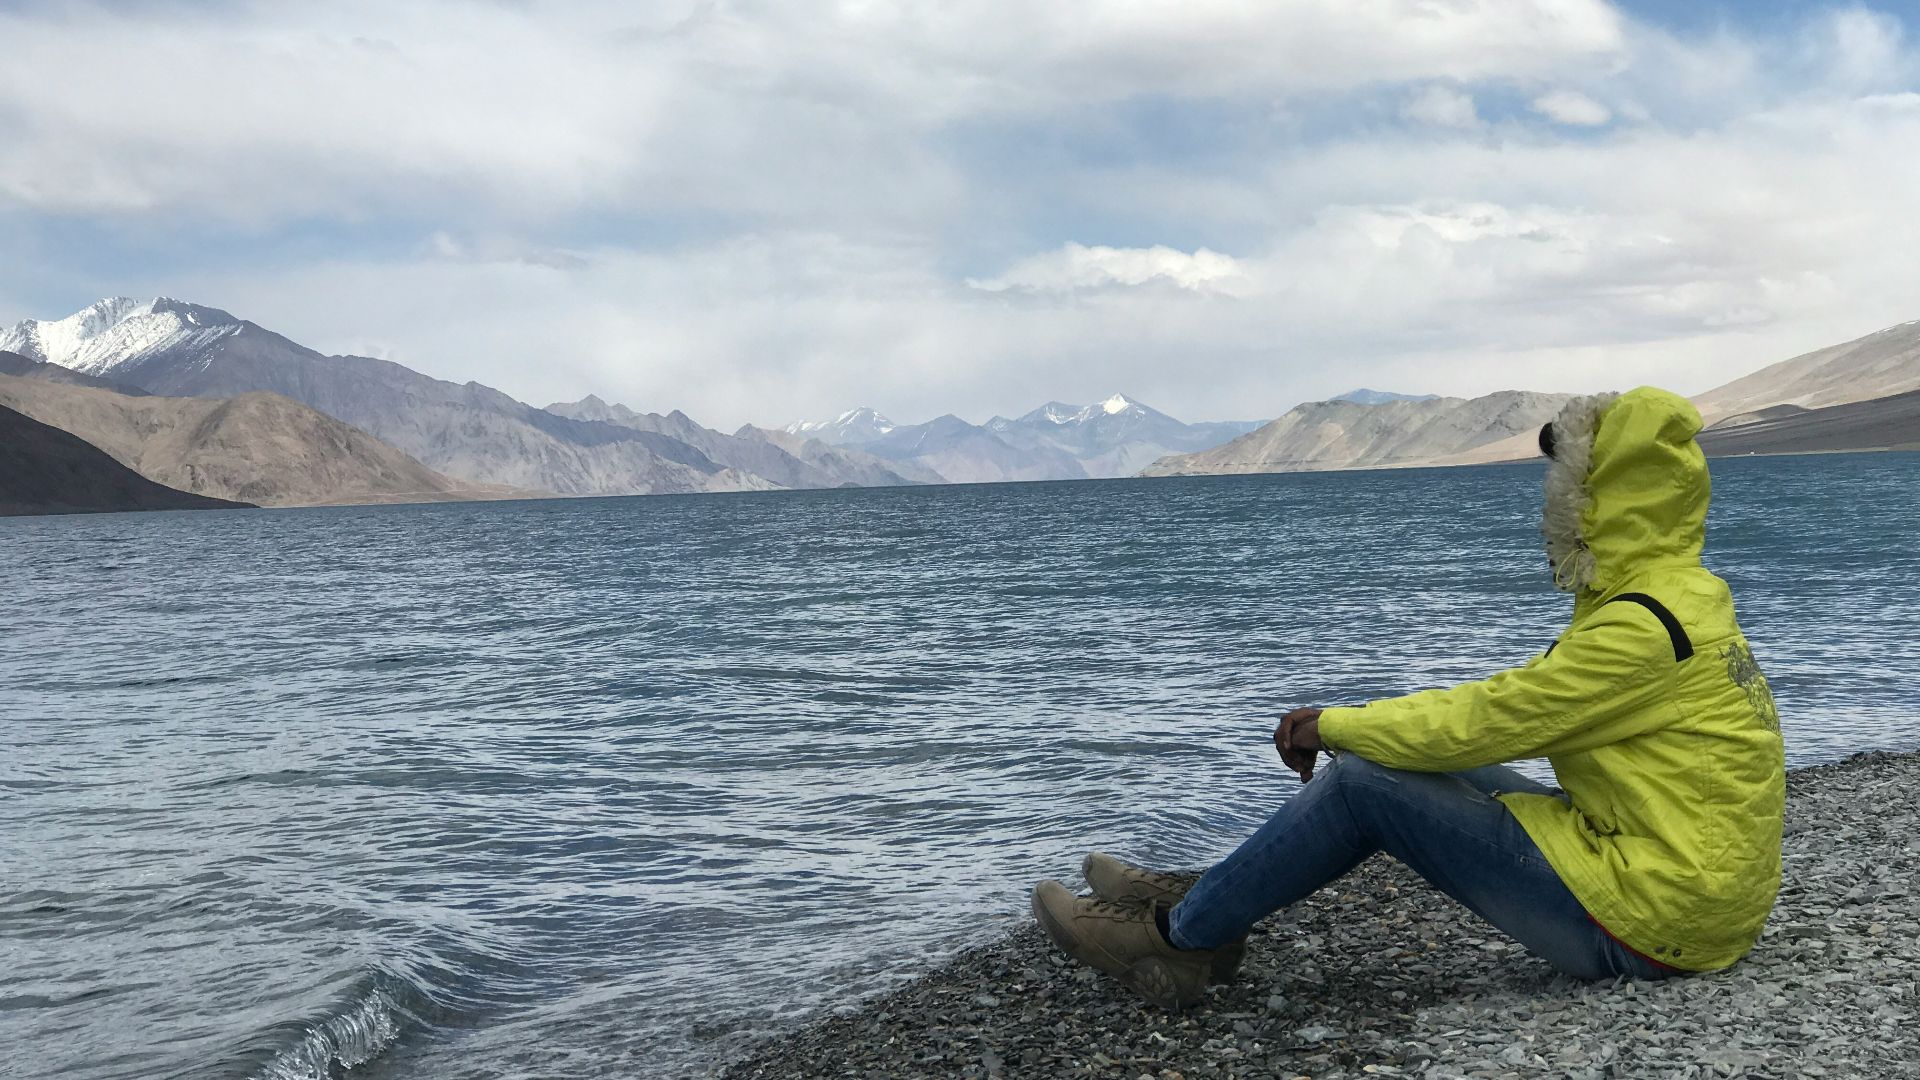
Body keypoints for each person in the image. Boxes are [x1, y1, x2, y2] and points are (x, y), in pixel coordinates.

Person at [1031, 387, 1786, 1009]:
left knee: (1363, 784)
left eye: (1572, 484)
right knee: (1407, 759)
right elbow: (1509, 708)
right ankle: (1209, 897)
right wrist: (1359, 725)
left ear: (1606, 498)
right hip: (1689, 893)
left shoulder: (1643, 628)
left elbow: (1487, 720)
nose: (1556, 501)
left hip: (1652, 925)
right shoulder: (1684, 598)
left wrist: (1333, 725)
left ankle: (1176, 941)